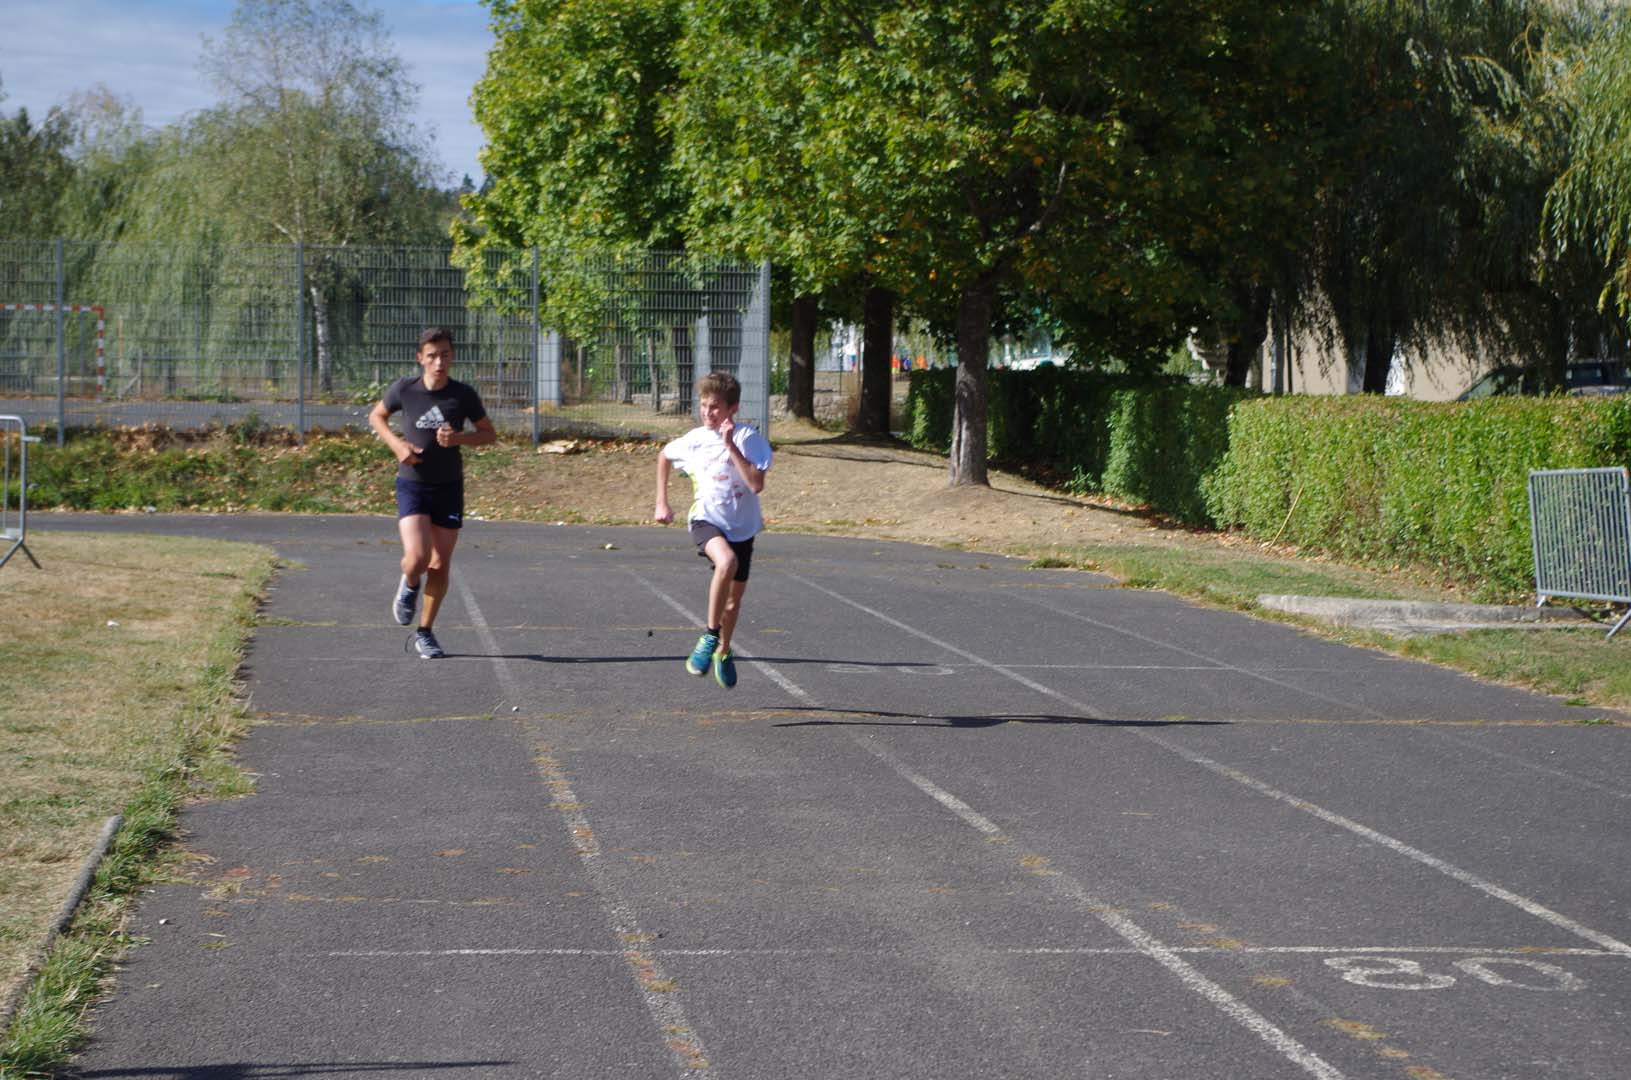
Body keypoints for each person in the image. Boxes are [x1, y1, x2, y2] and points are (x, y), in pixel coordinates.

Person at [368, 327, 496, 659]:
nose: (439, 362)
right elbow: (377, 416)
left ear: (452, 357)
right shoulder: (405, 390)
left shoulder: (463, 395)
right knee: (418, 558)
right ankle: (409, 583)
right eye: (432, 356)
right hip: (413, 483)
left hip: (449, 486)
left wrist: (458, 440)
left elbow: (488, 435)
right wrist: (397, 445)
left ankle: (425, 632)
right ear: (420, 358)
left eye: (445, 355)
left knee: (440, 564)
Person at [653, 371, 772, 688]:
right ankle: (709, 636)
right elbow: (664, 456)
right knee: (726, 562)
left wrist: (730, 444)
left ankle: (723, 649)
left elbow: (756, 485)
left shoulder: (749, 439)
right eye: (704, 405)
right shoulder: (694, 440)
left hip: (742, 527)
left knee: (733, 605)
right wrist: (661, 502)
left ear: (733, 409)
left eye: (715, 407)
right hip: (707, 519)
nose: (708, 413)